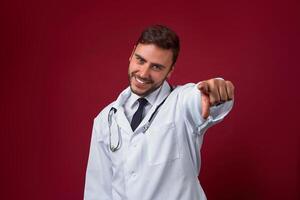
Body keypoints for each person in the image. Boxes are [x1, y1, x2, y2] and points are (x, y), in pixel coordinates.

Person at [84, 25, 234, 200]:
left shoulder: (181, 103)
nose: (143, 73)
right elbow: (98, 190)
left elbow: (200, 98)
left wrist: (217, 91)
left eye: (156, 67)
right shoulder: (105, 119)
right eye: (140, 60)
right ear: (132, 54)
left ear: (170, 71)